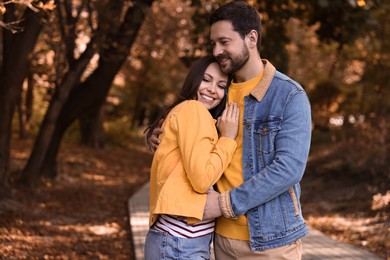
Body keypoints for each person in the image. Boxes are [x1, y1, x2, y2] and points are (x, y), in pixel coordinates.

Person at [147, 1, 312, 259]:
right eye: (213, 43)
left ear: (251, 38)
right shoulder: (217, 93)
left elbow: (289, 169)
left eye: (224, 42)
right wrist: (162, 135)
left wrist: (225, 204)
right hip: (218, 239)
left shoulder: (288, 96)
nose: (217, 50)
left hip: (270, 242)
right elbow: (192, 136)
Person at [144, 55, 240, 260]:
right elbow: (202, 179)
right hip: (179, 244)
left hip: (177, 242)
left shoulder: (194, 115)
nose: (213, 89)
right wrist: (228, 138)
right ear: (193, 80)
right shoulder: (193, 109)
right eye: (206, 80)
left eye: (221, 85)